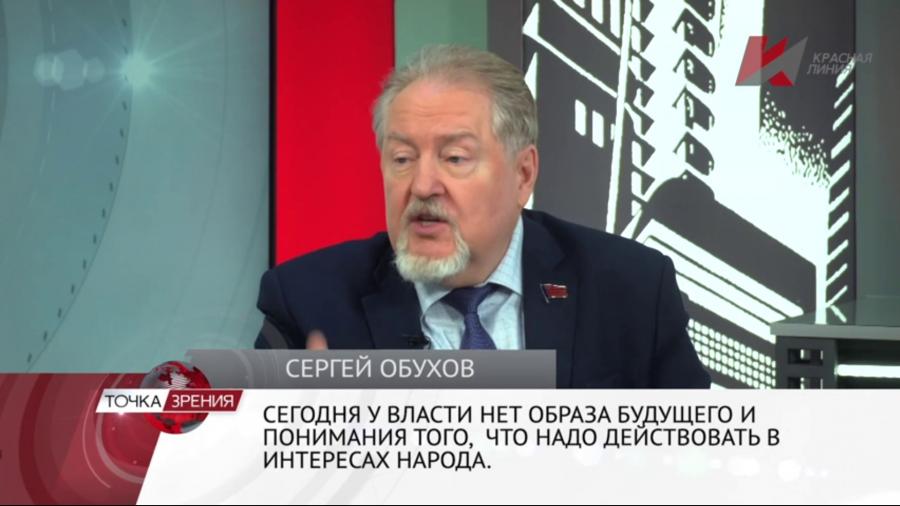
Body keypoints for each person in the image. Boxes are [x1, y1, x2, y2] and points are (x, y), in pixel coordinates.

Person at [255, 45, 710, 388]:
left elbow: (698, 463)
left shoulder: (630, 291)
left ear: (523, 174)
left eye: (454, 158)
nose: (422, 185)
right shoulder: (309, 303)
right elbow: (243, 461)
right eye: (402, 159)